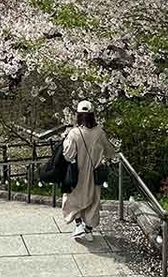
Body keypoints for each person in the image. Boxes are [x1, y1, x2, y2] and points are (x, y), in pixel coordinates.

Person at [62, 101, 118, 239]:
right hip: (94, 173)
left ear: (78, 115)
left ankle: (78, 224)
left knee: (73, 199)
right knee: (93, 201)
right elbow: (110, 152)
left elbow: (68, 155)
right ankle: (88, 229)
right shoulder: (99, 132)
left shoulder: (74, 133)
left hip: (77, 173)